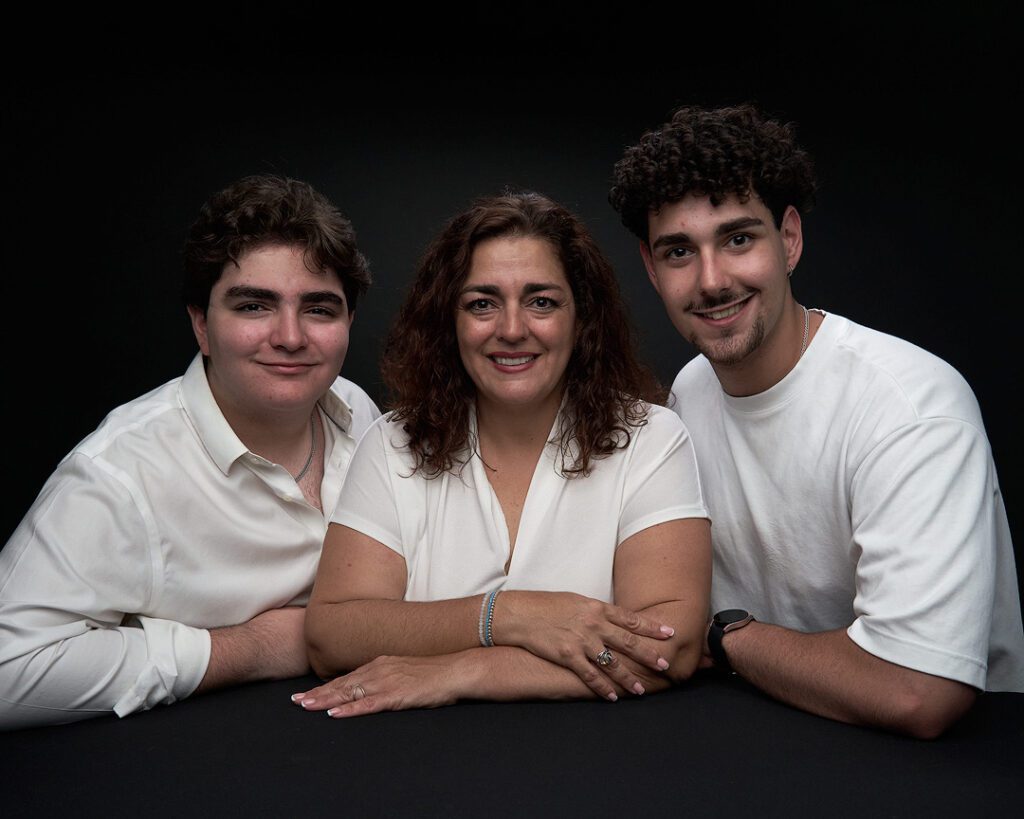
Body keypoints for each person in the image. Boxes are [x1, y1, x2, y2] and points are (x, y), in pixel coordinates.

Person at [607, 103, 1024, 738]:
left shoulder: (909, 408)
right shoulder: (691, 392)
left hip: (952, 765)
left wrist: (726, 639)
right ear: (651, 268)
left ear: (790, 239)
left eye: (739, 238)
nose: (712, 280)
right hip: (766, 733)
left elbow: (918, 692)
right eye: (679, 252)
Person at [291, 190, 711, 717]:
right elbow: (333, 634)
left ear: (582, 320)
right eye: (482, 303)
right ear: (450, 320)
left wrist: (461, 669)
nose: (512, 330)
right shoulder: (393, 442)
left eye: (542, 301)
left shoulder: (651, 439)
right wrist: (507, 616)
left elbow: (667, 649)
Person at [0, 174, 380, 729]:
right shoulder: (119, 473)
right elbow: (8, 668)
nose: (291, 336)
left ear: (348, 323)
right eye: (254, 306)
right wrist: (250, 648)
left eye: (319, 309)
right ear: (202, 324)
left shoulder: (356, 411)